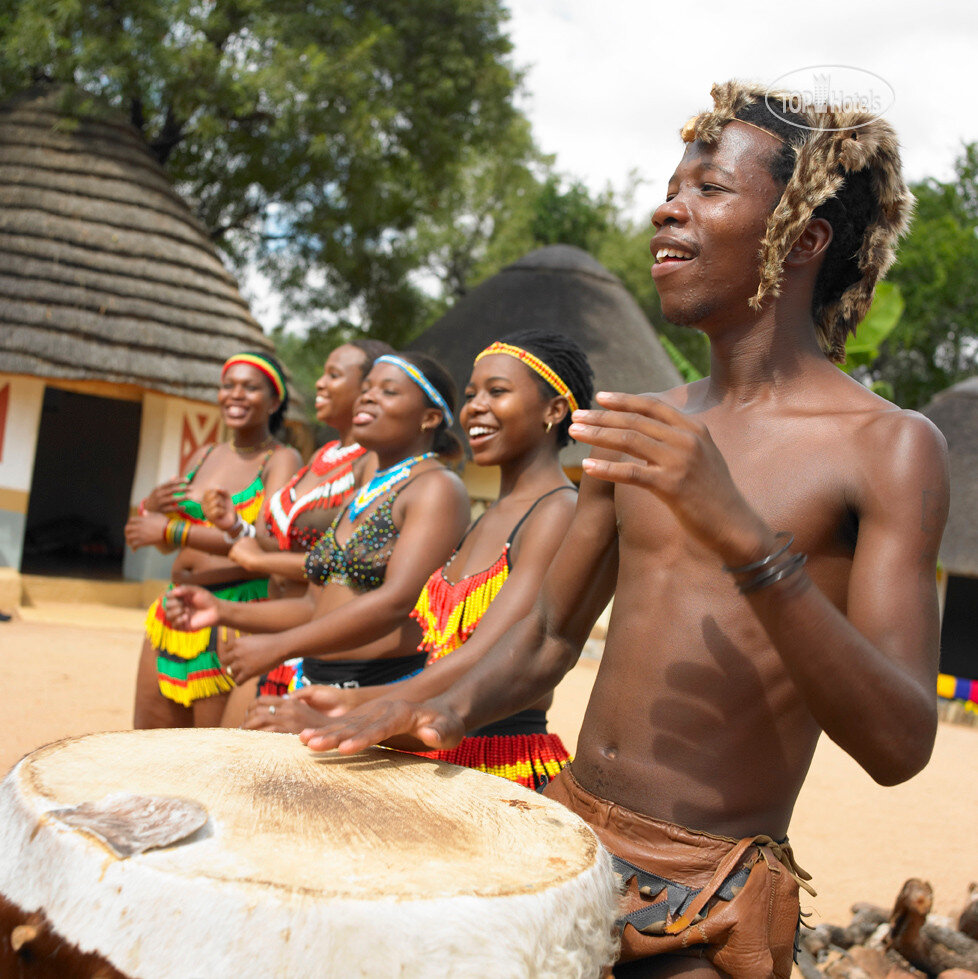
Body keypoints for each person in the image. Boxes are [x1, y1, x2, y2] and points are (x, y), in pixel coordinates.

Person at [297, 82, 950, 979]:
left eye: (709, 190)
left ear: (801, 239)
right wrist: (433, 701)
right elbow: (544, 633)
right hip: (567, 847)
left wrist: (749, 543)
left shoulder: (889, 447)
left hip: (706, 900)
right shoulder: (639, 420)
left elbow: (900, 741)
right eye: (673, 183)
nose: (665, 207)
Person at [249, 330, 595, 791]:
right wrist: (341, 699)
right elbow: (439, 656)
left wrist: (361, 708)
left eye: (497, 391)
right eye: (471, 395)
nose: (474, 407)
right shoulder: (491, 514)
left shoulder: (555, 511)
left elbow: (487, 654)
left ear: (554, 410)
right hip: (438, 743)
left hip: (492, 760)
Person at [163, 352, 471, 697]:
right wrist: (220, 610)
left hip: (375, 689)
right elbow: (314, 607)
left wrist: (280, 646)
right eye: (366, 388)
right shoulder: (367, 493)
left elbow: (395, 601)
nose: (367, 396)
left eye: (388, 391)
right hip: (312, 676)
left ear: (429, 417)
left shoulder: (436, 488)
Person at [198, 339, 393, 723]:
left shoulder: (372, 466)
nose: (319, 383)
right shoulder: (323, 458)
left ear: (367, 391)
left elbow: (349, 567)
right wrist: (235, 526)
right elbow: (269, 544)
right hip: (272, 624)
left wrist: (259, 559)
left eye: (334, 375)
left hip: (312, 640)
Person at [124, 351, 302, 729]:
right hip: (173, 607)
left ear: (273, 402)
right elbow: (163, 540)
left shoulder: (281, 459)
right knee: (146, 741)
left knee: (206, 751)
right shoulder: (204, 454)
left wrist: (172, 530)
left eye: (250, 388)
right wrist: (151, 508)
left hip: (233, 610)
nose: (235, 395)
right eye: (228, 386)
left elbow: (267, 543)